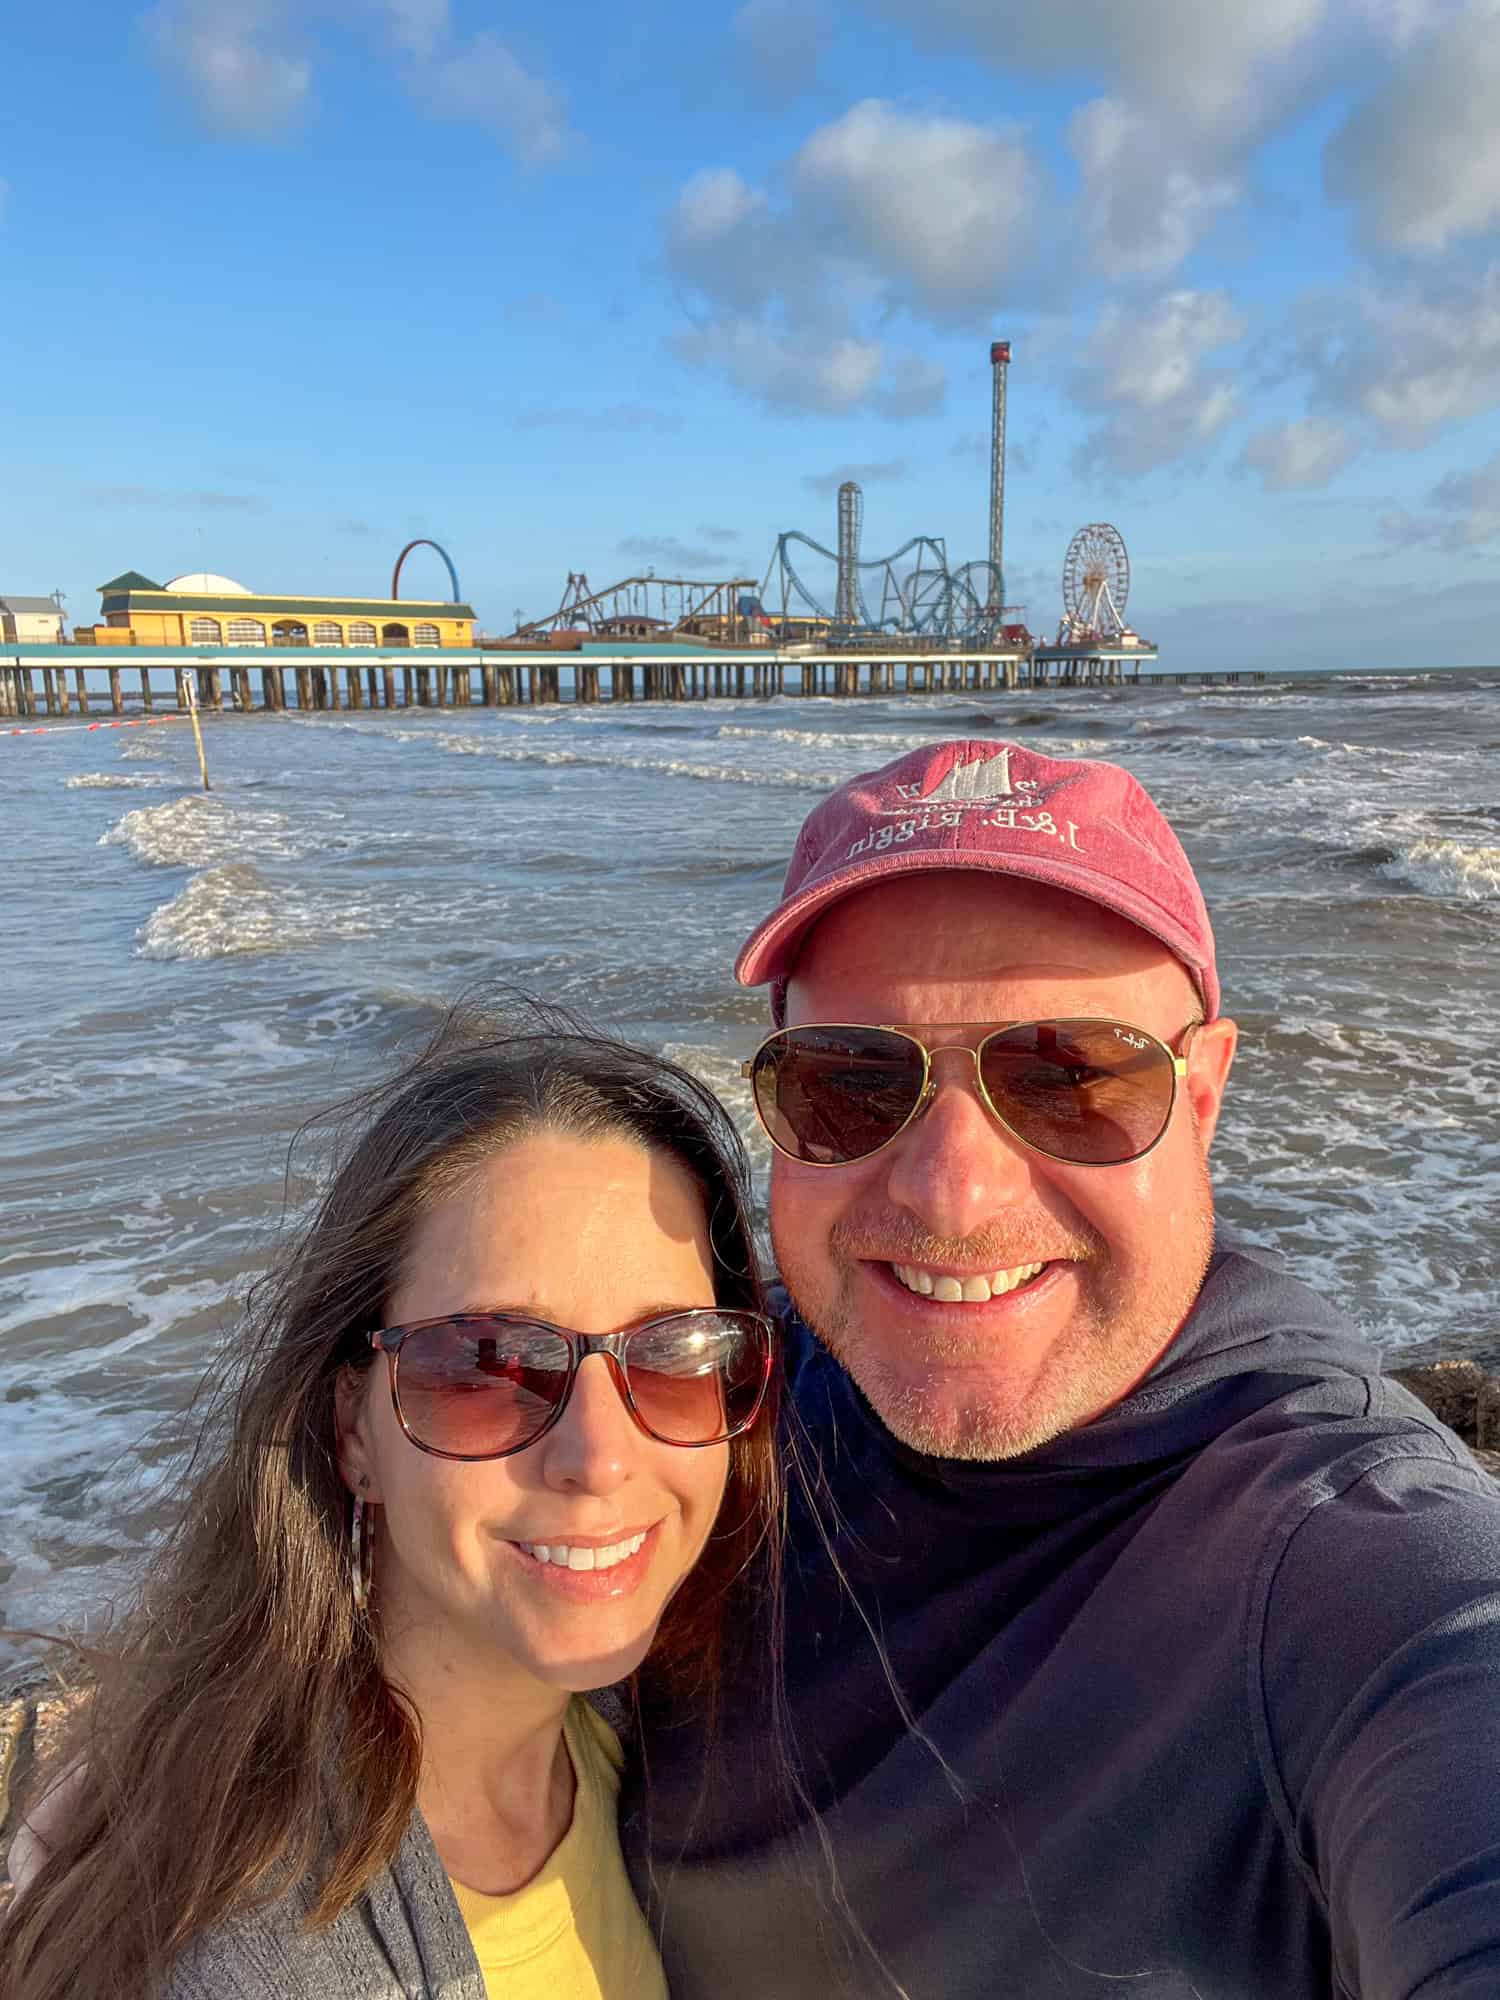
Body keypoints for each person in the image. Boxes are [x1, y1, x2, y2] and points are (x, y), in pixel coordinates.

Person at [623, 737, 1500, 1999]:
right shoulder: (680, 1413)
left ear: (1203, 1093)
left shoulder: (1336, 1562)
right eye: (854, 1082)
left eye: (1072, 1077)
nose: (951, 1188)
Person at [0, 1009, 777, 2000]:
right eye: (488, 1365)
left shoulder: (634, 1728)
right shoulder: (269, 1960)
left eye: (674, 1354)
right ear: (353, 1427)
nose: (600, 1458)